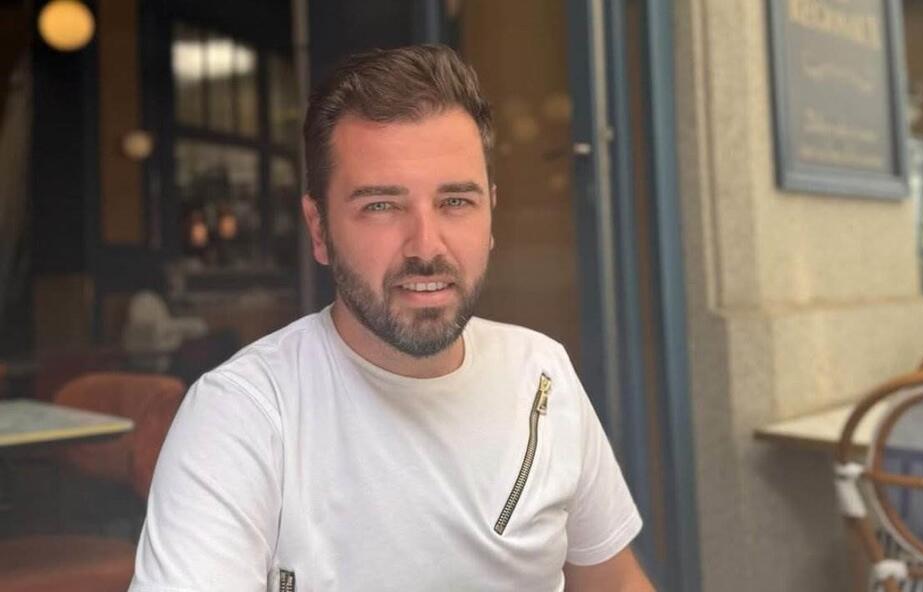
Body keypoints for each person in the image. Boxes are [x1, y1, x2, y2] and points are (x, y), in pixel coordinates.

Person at [130, 44, 652, 592]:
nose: (426, 246)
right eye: (381, 206)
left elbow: (617, 583)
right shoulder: (246, 415)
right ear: (319, 229)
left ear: (491, 214)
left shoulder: (542, 375)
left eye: (456, 202)